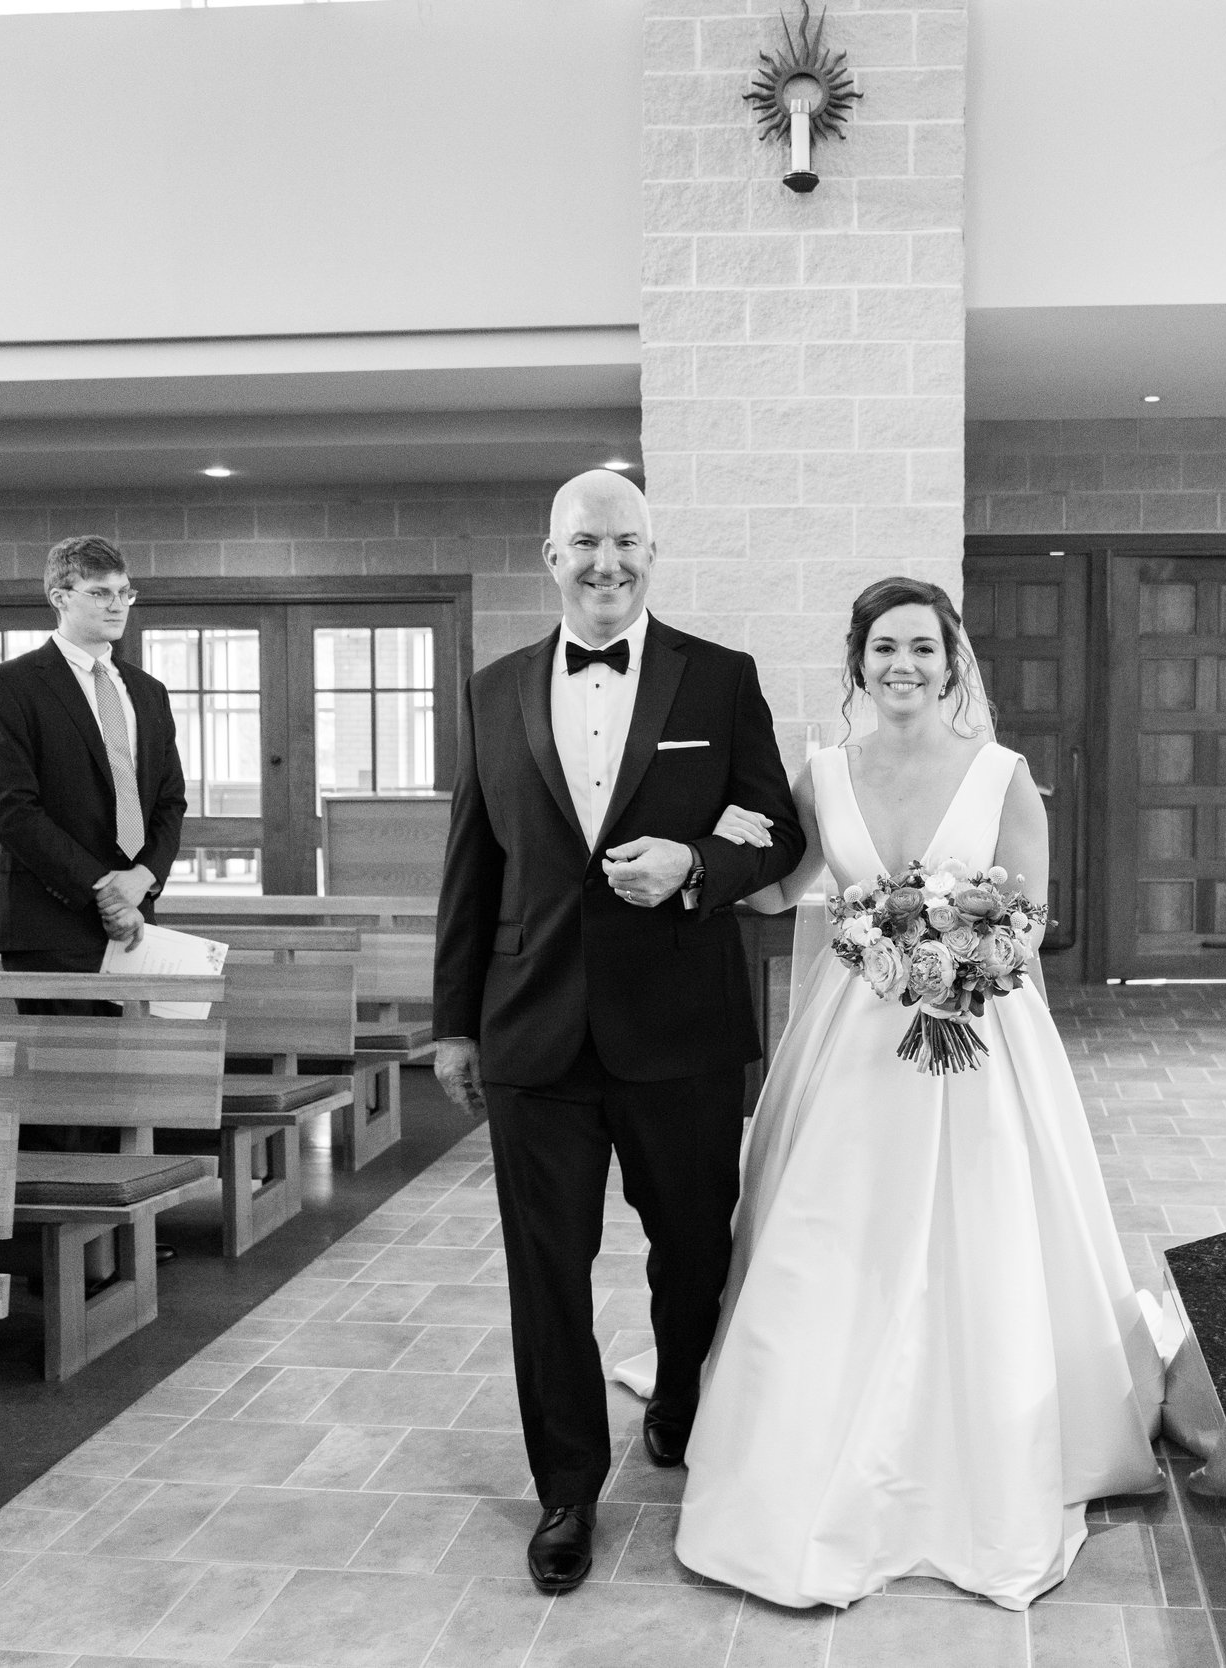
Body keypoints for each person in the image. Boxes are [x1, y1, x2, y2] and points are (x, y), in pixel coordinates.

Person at [653, 577, 1166, 1610]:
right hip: (851, 1044)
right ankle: (800, 1430)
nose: (903, 666)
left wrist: (958, 963)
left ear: (951, 661)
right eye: (884, 648)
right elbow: (777, 885)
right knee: (828, 1235)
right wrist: (702, 842)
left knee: (985, 1235)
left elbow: (1032, 921)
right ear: (856, 662)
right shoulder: (821, 774)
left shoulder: (1002, 774)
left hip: (982, 1037)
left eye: (923, 649)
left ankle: (982, 1431)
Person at [431, 470, 806, 1594]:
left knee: (693, 1248)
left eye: (628, 542)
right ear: (550, 556)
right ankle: (564, 1489)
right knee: (544, 1271)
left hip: (680, 1029)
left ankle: (682, 1395)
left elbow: (777, 829)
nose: (608, 564)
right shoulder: (494, 689)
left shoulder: (719, 678)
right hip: (532, 1032)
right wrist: (454, 1025)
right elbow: (470, 867)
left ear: (654, 552)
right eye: (586, 543)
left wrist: (699, 866)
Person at [0, 535, 184, 1020]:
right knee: (64, 1085)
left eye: (124, 592)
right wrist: (103, 889)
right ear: (60, 598)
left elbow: (170, 801)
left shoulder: (149, 692)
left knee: (134, 1081)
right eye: (101, 592)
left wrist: (143, 878)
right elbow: (11, 810)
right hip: (51, 917)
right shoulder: (9, 684)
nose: (117, 605)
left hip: (136, 912)